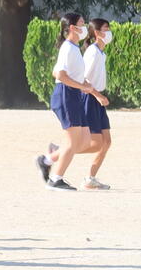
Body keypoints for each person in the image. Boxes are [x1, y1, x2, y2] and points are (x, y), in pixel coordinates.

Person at [38, 19, 112, 190]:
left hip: (82, 96)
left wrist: (88, 88)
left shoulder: (77, 49)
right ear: (72, 27)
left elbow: (74, 75)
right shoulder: (77, 49)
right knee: (80, 143)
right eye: (81, 24)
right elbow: (60, 74)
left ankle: (55, 157)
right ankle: (55, 174)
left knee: (92, 141)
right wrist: (91, 91)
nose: (84, 27)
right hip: (76, 96)